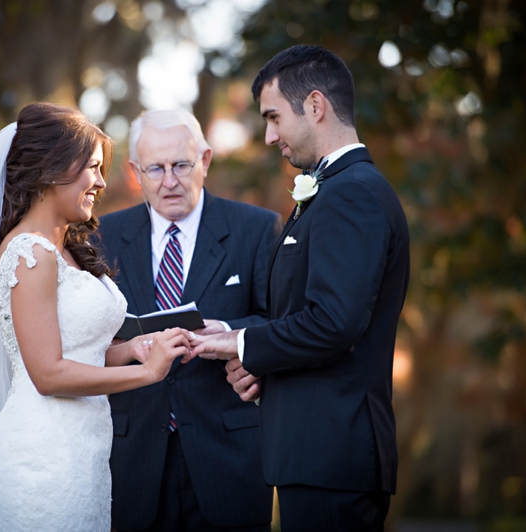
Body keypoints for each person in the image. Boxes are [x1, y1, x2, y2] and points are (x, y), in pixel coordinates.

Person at [0, 103, 194, 532]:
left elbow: (79, 352)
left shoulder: (66, 248)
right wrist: (147, 374)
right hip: (42, 460)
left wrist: (134, 350)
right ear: (51, 169)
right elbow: (47, 374)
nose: (101, 182)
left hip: (84, 454)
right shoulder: (30, 253)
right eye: (93, 168)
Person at [191, 45, 411, 531]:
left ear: (315, 106)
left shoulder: (352, 194)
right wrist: (261, 368)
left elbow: (335, 322)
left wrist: (243, 342)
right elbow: (314, 317)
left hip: (333, 456)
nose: (269, 137)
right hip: (313, 456)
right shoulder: (331, 190)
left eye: (274, 117)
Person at [97, 108, 280, 531]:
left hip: (229, 455)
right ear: (134, 171)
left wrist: (233, 334)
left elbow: (281, 324)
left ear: (206, 160)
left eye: (181, 164)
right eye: (155, 169)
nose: (169, 180)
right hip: (131, 455)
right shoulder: (100, 238)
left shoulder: (257, 229)